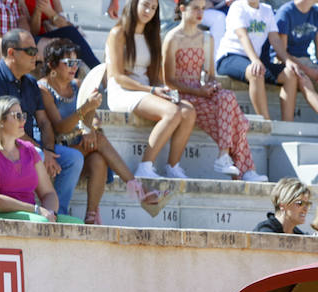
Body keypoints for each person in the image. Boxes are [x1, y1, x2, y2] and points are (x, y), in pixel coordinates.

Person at [37, 41, 166, 223]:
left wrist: (92, 127)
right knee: (100, 141)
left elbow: (94, 118)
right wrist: (86, 109)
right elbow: (60, 127)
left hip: (76, 142)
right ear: (52, 65)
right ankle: (140, 190)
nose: (74, 67)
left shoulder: (77, 84)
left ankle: (91, 216)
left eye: (77, 62)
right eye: (68, 62)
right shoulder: (43, 89)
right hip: (55, 147)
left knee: (98, 160)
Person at [0, 29, 83, 215]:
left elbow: (44, 122)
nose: (36, 56)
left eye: (35, 50)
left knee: (73, 158)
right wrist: (39, 150)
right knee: (36, 152)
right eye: (30, 51)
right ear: (11, 53)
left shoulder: (30, 82)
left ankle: (56, 214)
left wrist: (48, 150)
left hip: (27, 146)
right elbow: (4, 125)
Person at [164, 0, 267, 182]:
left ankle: (224, 155)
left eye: (203, 9)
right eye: (195, 8)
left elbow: (210, 74)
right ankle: (246, 170)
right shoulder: (172, 38)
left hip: (201, 93)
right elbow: (169, 81)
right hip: (181, 96)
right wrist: (200, 92)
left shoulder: (207, 38)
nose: (200, 13)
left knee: (227, 96)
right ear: (182, 9)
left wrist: (212, 86)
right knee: (240, 122)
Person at [106, 0, 199, 181]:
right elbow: (117, 76)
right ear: (134, 4)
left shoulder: (152, 35)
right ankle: (145, 166)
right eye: (145, 5)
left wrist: (163, 89)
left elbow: (154, 76)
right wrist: (151, 90)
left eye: (153, 8)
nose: (148, 11)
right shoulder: (118, 33)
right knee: (172, 112)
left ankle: (173, 166)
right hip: (123, 90)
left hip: (146, 89)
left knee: (188, 111)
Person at [0, 95, 82, 222]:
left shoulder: (29, 150)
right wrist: (35, 210)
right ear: (0, 121)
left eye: (23, 116)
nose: (23, 121)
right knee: (42, 222)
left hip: (32, 214)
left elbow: (48, 193)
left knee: (76, 223)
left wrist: (50, 212)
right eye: (17, 116)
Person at [216, 0, 295, 120]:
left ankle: (287, 125)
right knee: (256, 71)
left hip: (253, 59)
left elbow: (275, 39)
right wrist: (255, 60)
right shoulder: (237, 7)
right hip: (229, 57)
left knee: (290, 74)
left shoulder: (267, 10)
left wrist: (287, 60)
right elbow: (243, 35)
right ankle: (266, 123)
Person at [23, 0, 100, 68]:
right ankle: (97, 69)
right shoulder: (23, 2)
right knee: (69, 37)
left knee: (71, 36)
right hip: (37, 39)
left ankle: (97, 69)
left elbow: (65, 24)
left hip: (52, 34)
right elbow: (32, 33)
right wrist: (37, 12)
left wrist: (49, 11)